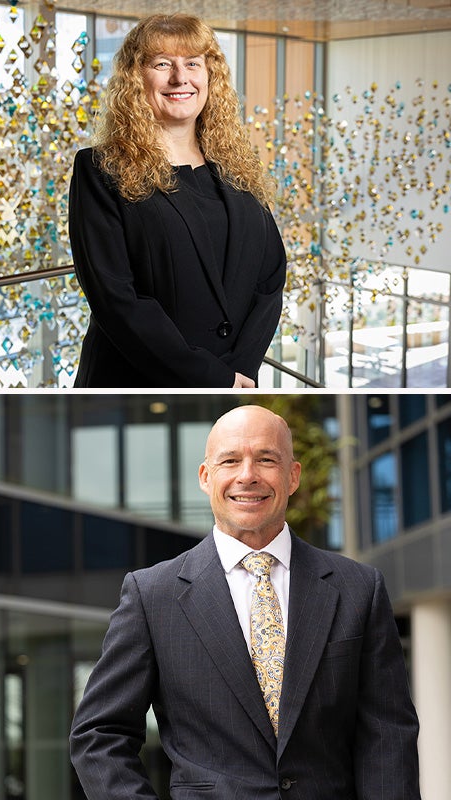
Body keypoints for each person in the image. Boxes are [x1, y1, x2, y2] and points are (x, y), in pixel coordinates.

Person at [69, 404, 420, 799]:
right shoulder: (153, 595)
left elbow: (389, 737)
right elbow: (99, 735)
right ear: (206, 477)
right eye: (230, 460)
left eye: (266, 459)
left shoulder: (360, 588)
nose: (248, 475)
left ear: (292, 476)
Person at [69, 15, 286, 387]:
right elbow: (117, 300)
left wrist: (241, 371)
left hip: (234, 379)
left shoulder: (237, 164)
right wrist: (208, 377)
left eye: (192, 64)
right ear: (136, 77)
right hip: (137, 384)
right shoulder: (99, 169)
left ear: (209, 76)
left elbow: (270, 277)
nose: (179, 78)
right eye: (162, 64)